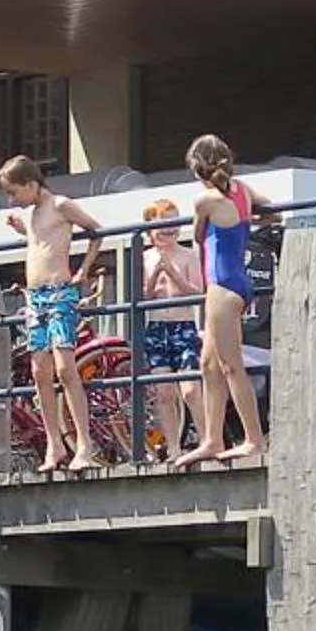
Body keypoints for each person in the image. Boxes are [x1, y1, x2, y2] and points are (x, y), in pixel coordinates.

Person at [0, 156, 109, 474]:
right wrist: (23, 231)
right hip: (36, 297)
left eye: (14, 192)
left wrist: (83, 270)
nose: (12, 200)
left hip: (59, 291)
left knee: (65, 367)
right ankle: (54, 443)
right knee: (39, 371)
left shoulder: (61, 204)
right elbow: (42, 243)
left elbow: (95, 230)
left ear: (32, 184)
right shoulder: (33, 214)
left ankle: (84, 443)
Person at [170, 137, 269, 471]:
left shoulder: (205, 200)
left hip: (221, 288)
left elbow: (198, 237)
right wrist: (251, 220)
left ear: (197, 169)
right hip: (239, 282)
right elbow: (275, 215)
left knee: (231, 365)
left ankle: (254, 438)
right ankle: (212, 439)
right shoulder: (243, 190)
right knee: (208, 364)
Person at [136, 197, 204, 465]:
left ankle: (207, 437)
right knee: (164, 392)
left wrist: (174, 274)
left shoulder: (188, 254)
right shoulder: (144, 258)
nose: (169, 231)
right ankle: (173, 447)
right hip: (156, 327)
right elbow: (143, 295)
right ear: (150, 229)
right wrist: (156, 274)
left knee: (190, 389)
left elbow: (198, 291)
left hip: (183, 325)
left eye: (173, 224)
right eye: (162, 226)